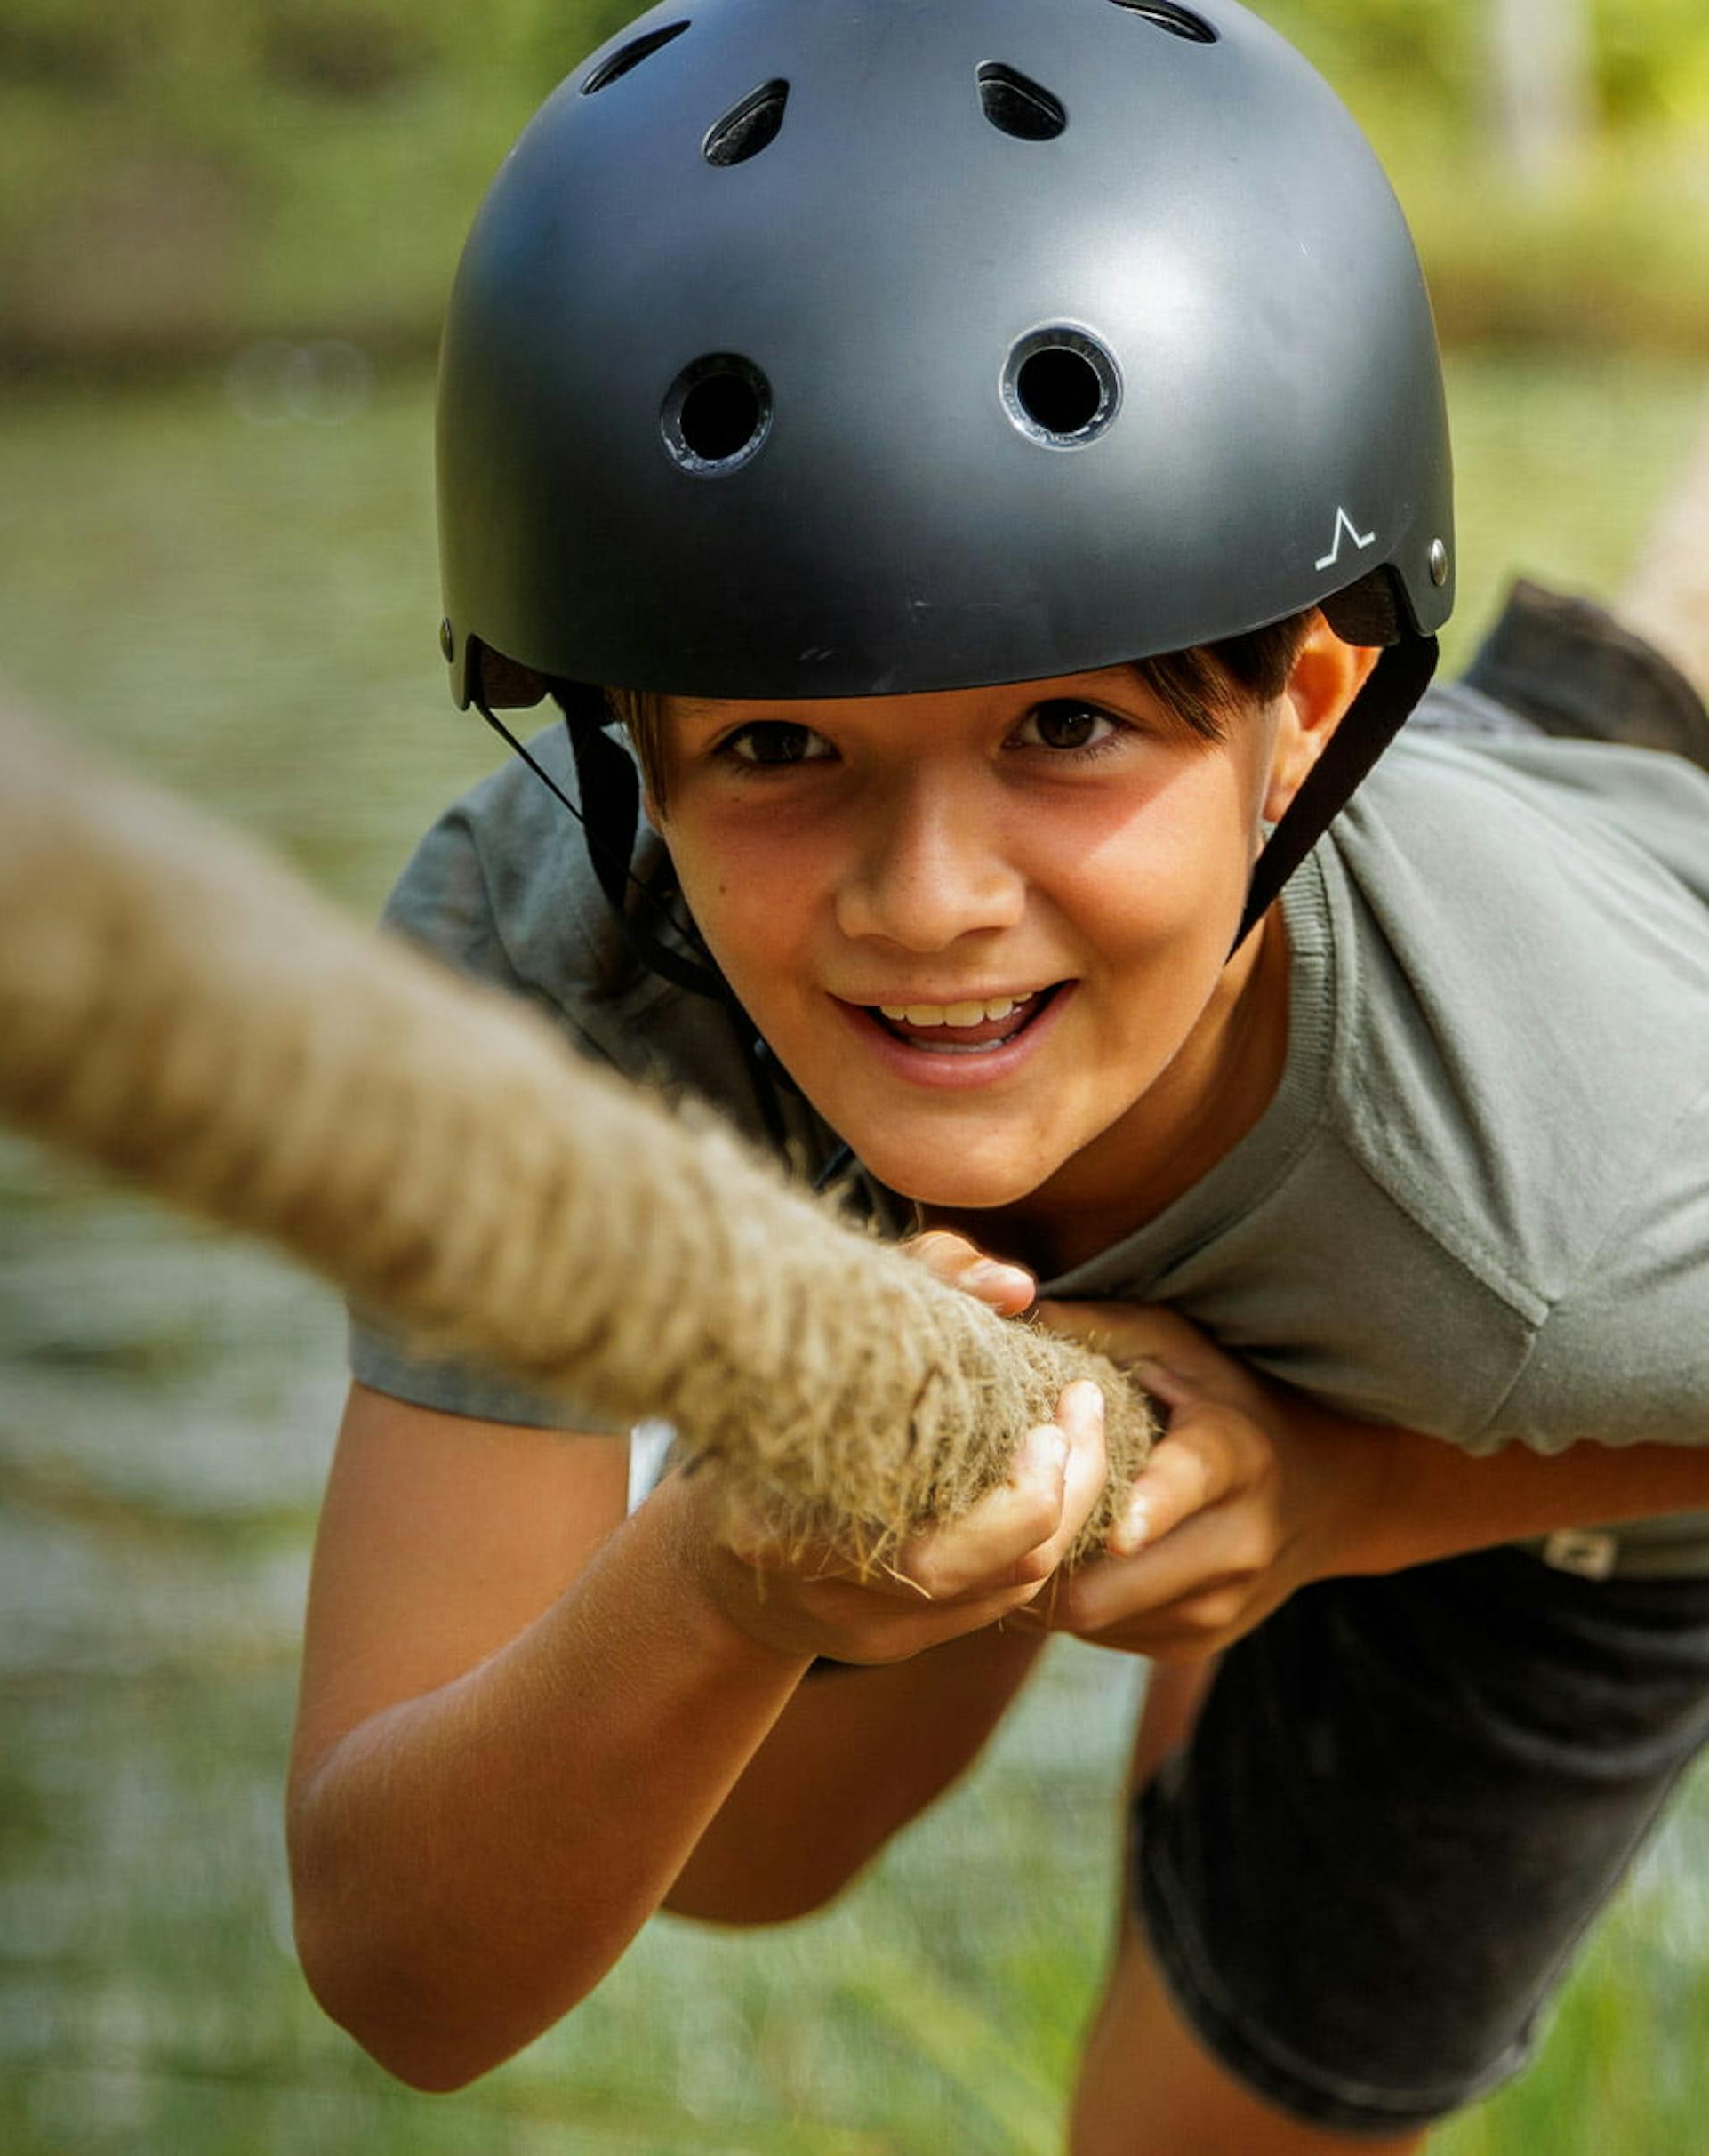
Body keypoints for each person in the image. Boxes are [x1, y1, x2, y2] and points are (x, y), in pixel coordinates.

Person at [285, 4, 1709, 2148]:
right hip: (1401, 933)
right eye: (778, 743)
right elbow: (410, 1965)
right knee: (749, 1843)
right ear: (622, 748)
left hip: (1571, 1264)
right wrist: (726, 1576)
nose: (927, 902)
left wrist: (1350, 1495)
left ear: (1301, 711)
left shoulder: (1558, 1226)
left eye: (1064, 727)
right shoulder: (548, 974)